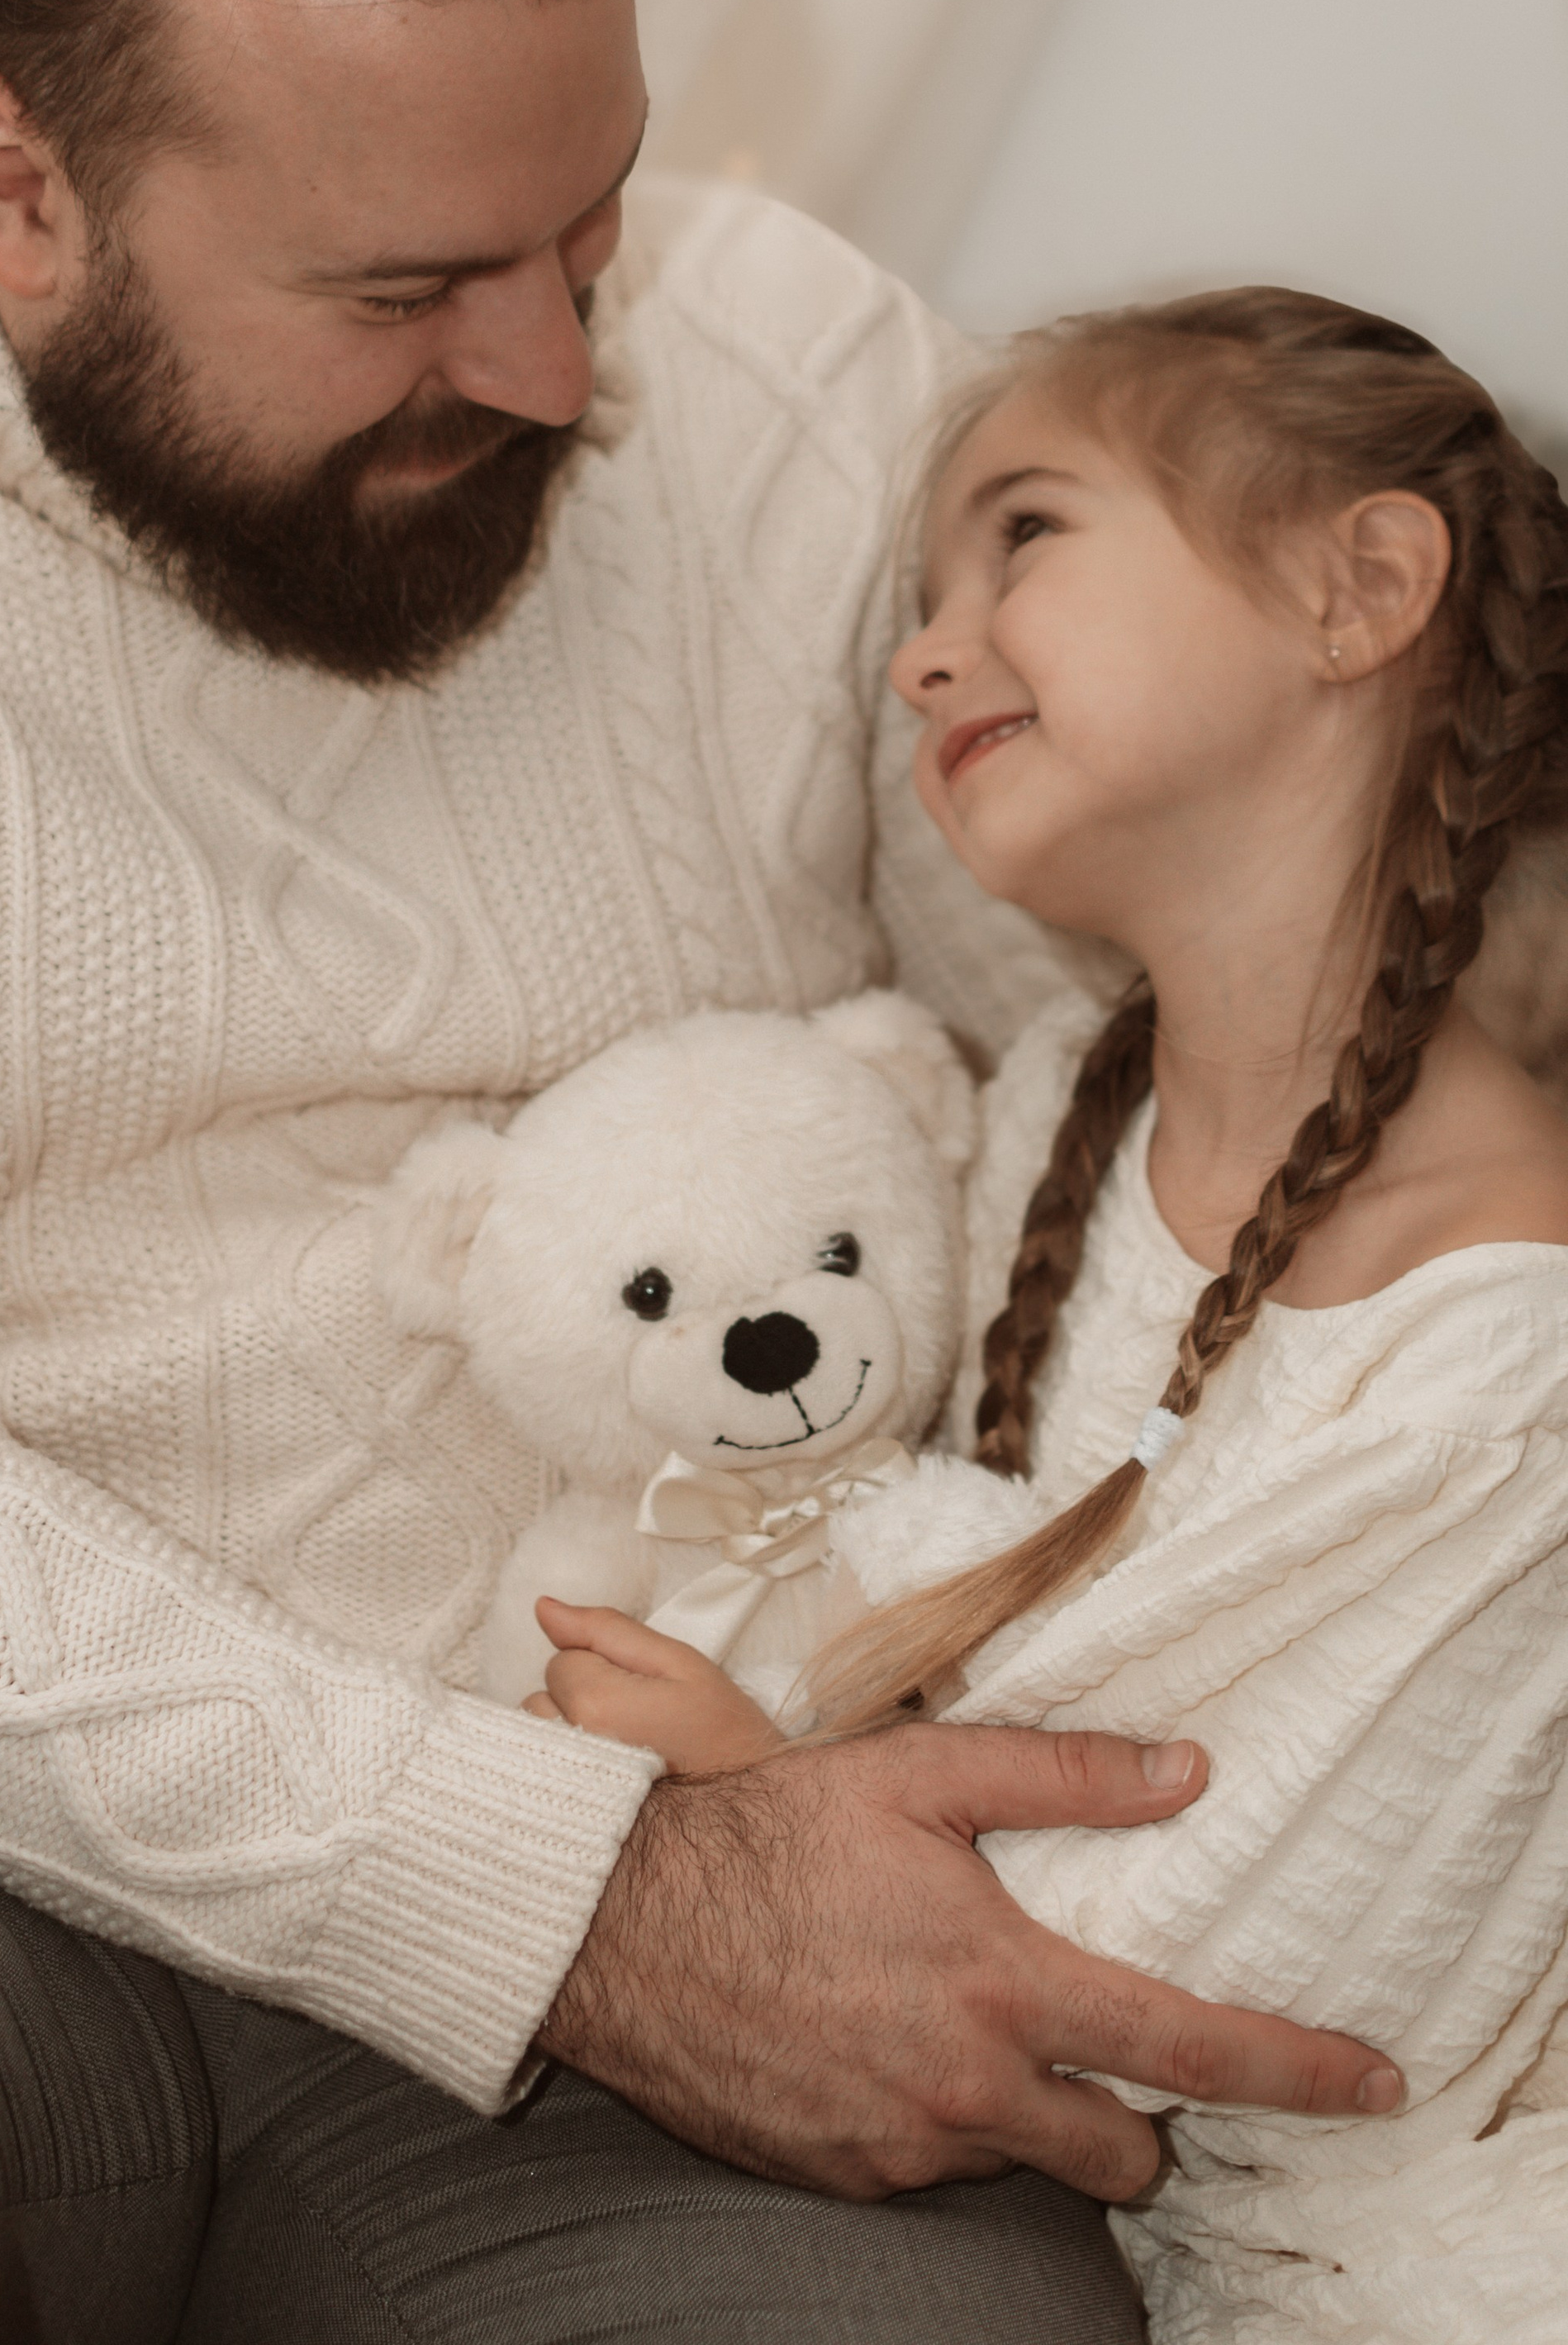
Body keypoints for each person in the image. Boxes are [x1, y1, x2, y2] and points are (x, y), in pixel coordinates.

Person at [0, 0, 1394, 2343]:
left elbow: (1145, 1062)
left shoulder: (785, 363)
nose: (556, 359)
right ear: (13, 179)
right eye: (404, 292)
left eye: (585, 225)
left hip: (702, 1756)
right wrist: (574, 1907)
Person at [535, 289, 1568, 2338]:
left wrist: (751, 1791)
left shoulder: (1505, 1337)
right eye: (922, 596)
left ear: (1353, 589)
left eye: (1024, 533)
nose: (925, 648)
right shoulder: (1040, 1142)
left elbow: (1254, 1984)